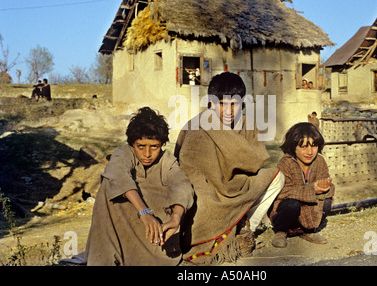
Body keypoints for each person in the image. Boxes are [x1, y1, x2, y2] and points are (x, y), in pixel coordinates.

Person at [174, 72, 284, 264]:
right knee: (206, 206)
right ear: (211, 103)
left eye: (233, 104)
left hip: (238, 184)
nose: (227, 110)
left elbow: (255, 160)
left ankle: (247, 224)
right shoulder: (197, 126)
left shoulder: (248, 124)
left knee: (277, 177)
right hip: (206, 187)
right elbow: (188, 168)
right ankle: (229, 229)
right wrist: (206, 192)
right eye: (221, 104)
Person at [62, 107, 194, 266]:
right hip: (128, 228)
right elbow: (118, 174)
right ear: (132, 144)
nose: (147, 154)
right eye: (141, 146)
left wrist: (175, 218)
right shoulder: (123, 153)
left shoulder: (167, 160)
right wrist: (144, 212)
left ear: (162, 144)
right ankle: (108, 256)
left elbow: (182, 185)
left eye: (154, 146)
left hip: (155, 241)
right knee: (108, 184)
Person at [270, 122, 335, 248]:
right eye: (303, 147)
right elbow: (283, 192)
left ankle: (308, 231)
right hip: (288, 211)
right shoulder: (286, 163)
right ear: (294, 147)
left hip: (309, 211)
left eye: (314, 146)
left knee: (327, 202)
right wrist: (312, 190)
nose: (310, 152)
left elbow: (329, 188)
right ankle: (281, 232)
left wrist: (326, 187)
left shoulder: (320, 161)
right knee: (291, 205)